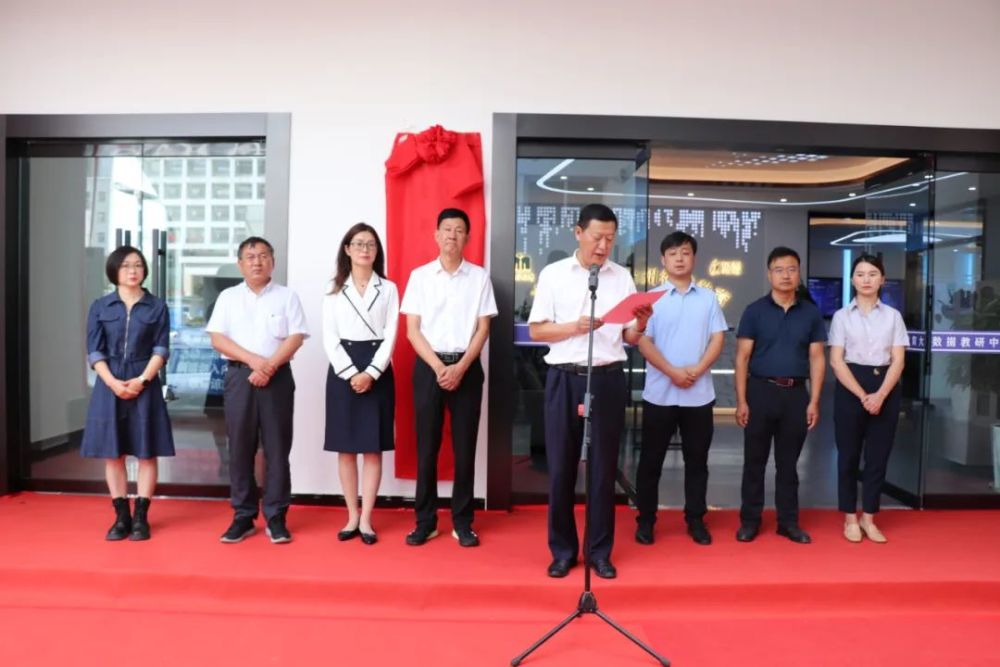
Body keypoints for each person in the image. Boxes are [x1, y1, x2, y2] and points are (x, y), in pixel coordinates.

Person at [528, 203, 652, 579]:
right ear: (578, 232)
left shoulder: (621, 277)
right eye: (597, 237)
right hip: (564, 379)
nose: (603, 246)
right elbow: (537, 330)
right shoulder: (553, 275)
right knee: (561, 467)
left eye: (610, 239)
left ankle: (599, 552)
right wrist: (574, 327)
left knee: (603, 469)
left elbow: (628, 337)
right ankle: (563, 551)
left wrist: (641, 325)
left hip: (607, 379)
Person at [400, 208, 497, 547]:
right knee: (426, 447)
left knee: (465, 448)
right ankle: (425, 521)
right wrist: (440, 368)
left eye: (459, 230)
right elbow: (412, 330)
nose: (452, 235)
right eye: (447, 229)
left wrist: (460, 367)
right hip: (429, 367)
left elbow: (483, 328)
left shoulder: (479, 277)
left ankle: (463, 521)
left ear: (467, 237)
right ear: (436, 235)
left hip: (467, 368)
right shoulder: (420, 277)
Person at [206, 237, 308, 544]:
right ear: (240, 264)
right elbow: (217, 338)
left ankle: (276, 517)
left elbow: (296, 337)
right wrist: (254, 361)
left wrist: (269, 367)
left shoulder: (287, 296)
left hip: (277, 379)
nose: (257, 262)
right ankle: (243, 515)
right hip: (239, 378)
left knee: (277, 449)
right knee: (239, 448)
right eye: (250, 257)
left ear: (272, 262)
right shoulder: (228, 297)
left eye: (263, 256)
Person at [635, 231, 727, 546]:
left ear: (694, 258)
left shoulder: (709, 298)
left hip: (699, 396)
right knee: (651, 462)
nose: (679, 258)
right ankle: (646, 520)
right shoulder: (650, 299)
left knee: (697, 462)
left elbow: (718, 338)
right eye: (673, 253)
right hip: (660, 394)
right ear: (663, 260)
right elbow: (643, 341)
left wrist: (697, 370)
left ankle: (696, 520)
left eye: (685, 253)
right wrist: (672, 372)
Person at [82, 245, 174, 541]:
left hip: (145, 380)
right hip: (109, 382)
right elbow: (94, 350)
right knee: (114, 453)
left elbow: (161, 348)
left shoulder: (157, 306)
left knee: (147, 452)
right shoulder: (100, 306)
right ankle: (121, 516)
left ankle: (141, 517)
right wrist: (112, 383)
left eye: (137, 265)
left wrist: (143, 380)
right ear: (114, 271)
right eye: (125, 266)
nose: (132, 271)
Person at [735, 246, 826, 544]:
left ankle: (788, 522)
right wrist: (741, 401)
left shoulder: (810, 313)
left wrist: (814, 401)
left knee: (789, 465)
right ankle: (750, 521)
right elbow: (742, 358)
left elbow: (817, 359)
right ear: (769, 274)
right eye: (779, 270)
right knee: (754, 462)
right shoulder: (754, 311)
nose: (785, 275)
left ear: (799, 273)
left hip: (796, 395)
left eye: (791, 269)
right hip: (760, 392)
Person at [322, 223, 399, 545]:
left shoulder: (389, 288)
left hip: (377, 368)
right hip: (343, 370)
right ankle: (351, 515)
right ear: (347, 249)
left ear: (377, 251)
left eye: (370, 244)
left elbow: (391, 333)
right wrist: (352, 373)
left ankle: (366, 518)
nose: (365, 249)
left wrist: (371, 373)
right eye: (358, 243)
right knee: (345, 448)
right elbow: (329, 336)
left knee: (372, 448)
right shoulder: (333, 289)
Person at [828, 254, 907, 543]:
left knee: (878, 457)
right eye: (860, 274)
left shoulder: (893, 316)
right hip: (851, 388)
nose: (866, 279)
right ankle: (850, 517)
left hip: (886, 386)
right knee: (848, 456)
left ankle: (869, 517)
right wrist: (863, 395)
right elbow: (836, 361)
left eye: (873, 274)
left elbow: (898, 360)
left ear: (882, 280)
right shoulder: (841, 316)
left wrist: (881, 395)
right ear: (852, 280)